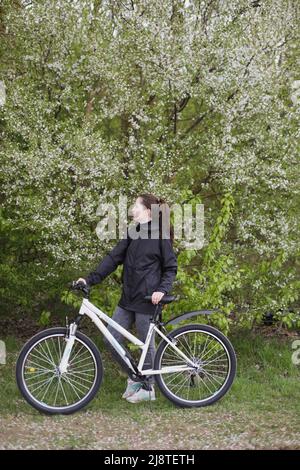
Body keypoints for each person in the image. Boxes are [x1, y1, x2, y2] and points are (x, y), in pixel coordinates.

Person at [76, 193, 178, 403]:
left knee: (145, 345)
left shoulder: (160, 236)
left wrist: (162, 290)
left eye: (136, 205)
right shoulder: (133, 232)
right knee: (110, 338)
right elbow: (113, 259)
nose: (132, 208)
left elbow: (171, 268)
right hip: (128, 298)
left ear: (147, 211)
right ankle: (135, 376)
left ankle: (149, 387)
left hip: (148, 300)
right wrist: (90, 280)